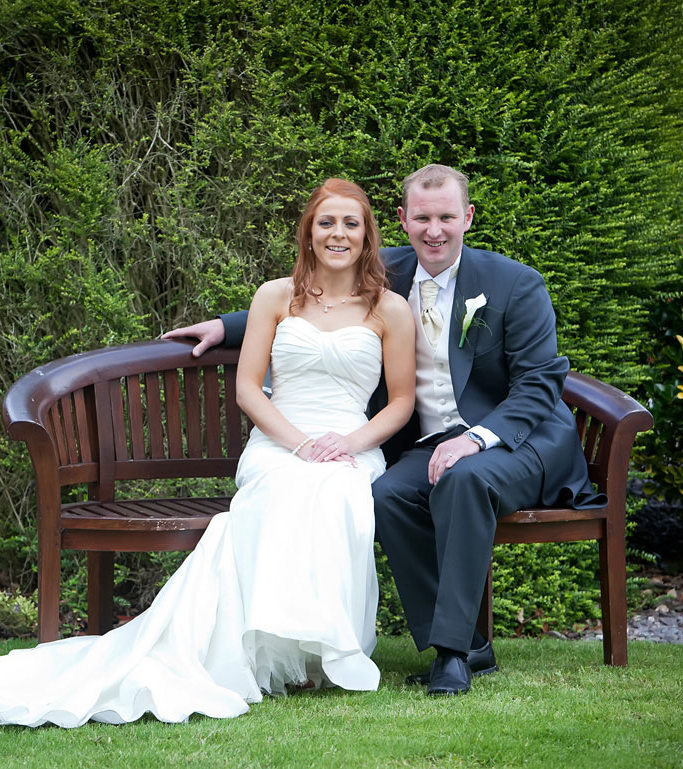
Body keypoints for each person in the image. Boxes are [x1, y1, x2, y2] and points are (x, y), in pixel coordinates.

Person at [0, 179, 416, 727]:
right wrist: (299, 443)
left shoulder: (389, 309)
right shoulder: (276, 296)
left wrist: (344, 444)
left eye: (351, 224)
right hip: (279, 442)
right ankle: (264, 651)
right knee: (286, 486)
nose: (338, 234)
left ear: (368, 234)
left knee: (337, 491)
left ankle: (320, 651)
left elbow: (399, 403)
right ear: (308, 232)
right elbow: (248, 389)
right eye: (326, 223)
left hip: (351, 443)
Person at [165, 164, 604, 696]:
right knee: (387, 494)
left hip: (517, 439)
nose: (434, 230)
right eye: (422, 218)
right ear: (402, 221)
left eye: (446, 217)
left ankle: (452, 655)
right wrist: (225, 326)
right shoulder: (387, 274)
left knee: (464, 480)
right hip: (435, 442)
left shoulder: (514, 283)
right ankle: (466, 641)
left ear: (467, 217)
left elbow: (538, 385)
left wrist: (476, 439)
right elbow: (313, 297)